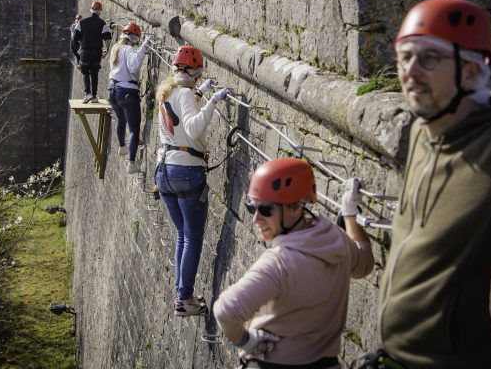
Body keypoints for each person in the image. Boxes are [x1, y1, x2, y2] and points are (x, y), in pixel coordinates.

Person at [371, 0, 491, 368]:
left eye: (429, 58)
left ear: (472, 72)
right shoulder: (425, 133)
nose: (410, 70)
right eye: (404, 57)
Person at [213, 159, 374, 368]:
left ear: (295, 208)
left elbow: (225, 312)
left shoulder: (279, 263)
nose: (255, 219)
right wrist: (350, 215)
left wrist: (249, 342)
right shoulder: (338, 239)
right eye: (251, 208)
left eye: (266, 210)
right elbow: (364, 264)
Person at [155, 44, 231, 316]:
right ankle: (184, 298)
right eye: (199, 76)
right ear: (194, 72)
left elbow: (180, 115)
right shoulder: (186, 93)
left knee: (182, 235)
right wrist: (212, 100)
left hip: (164, 171)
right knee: (193, 237)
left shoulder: (169, 92)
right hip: (186, 172)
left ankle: (181, 295)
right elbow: (194, 127)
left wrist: (200, 93)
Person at [107, 22, 151, 174]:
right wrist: (144, 45)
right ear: (134, 38)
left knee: (121, 120)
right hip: (126, 91)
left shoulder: (115, 48)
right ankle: (131, 163)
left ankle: (122, 147)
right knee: (134, 130)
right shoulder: (128, 49)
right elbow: (134, 66)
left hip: (112, 90)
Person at [73, 1, 112, 103]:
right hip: (97, 52)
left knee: (85, 72)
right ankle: (94, 96)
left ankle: (88, 94)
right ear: (99, 12)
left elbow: (75, 38)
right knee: (94, 73)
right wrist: (106, 50)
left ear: (91, 9)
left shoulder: (81, 22)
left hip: (85, 52)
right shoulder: (102, 23)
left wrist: (83, 42)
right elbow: (107, 38)